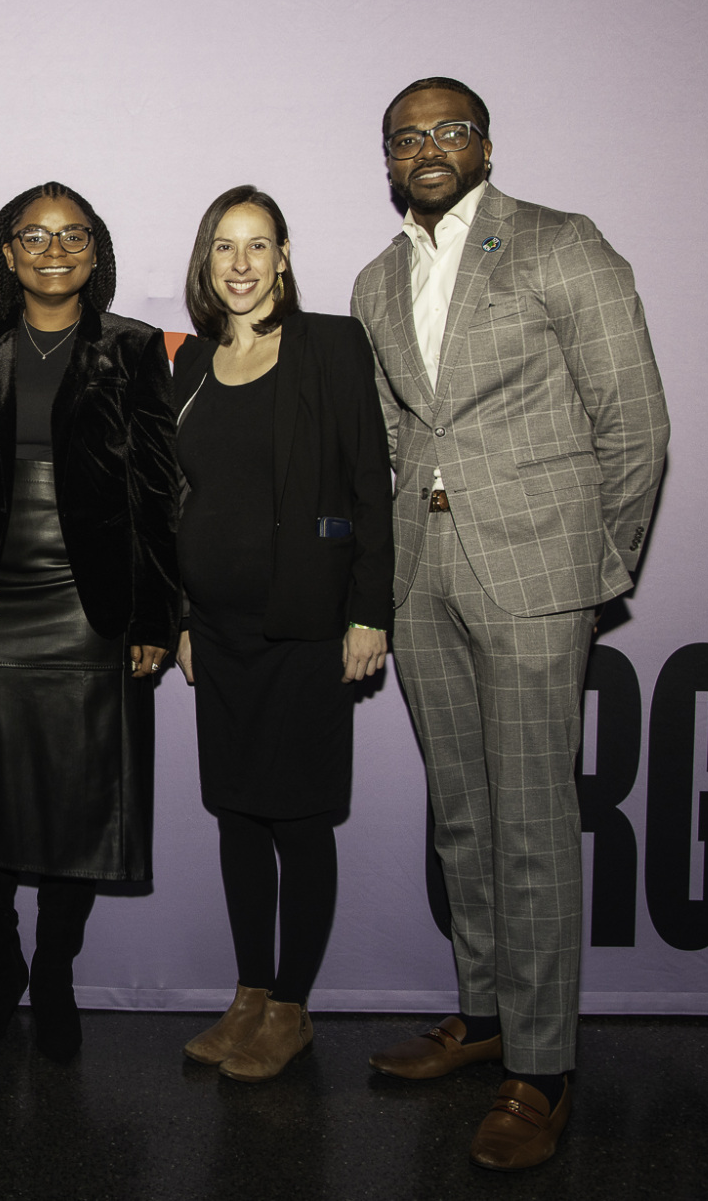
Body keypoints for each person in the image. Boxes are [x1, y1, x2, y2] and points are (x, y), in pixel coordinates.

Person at [351, 78, 669, 1169]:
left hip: (536, 574)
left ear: (484, 144)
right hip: (419, 574)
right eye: (405, 136)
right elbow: (393, 436)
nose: (426, 147)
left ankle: (541, 1069)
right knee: (462, 817)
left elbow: (634, 422)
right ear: (386, 158)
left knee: (531, 823)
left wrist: (592, 561)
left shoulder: (558, 244)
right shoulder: (374, 280)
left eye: (447, 130)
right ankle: (483, 1016)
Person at [0, 181, 179, 1063]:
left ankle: (54, 970)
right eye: (32, 236)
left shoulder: (133, 347)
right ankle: (0, 967)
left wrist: (155, 610)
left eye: (71, 235)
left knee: (79, 800)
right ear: (7, 253)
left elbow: (160, 489)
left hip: (93, 602)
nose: (53, 249)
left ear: (95, 250)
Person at [169, 185, 393, 1083]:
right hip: (217, 632)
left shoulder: (330, 347)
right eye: (225, 246)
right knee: (235, 815)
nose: (241, 264)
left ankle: (292, 1007)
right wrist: (180, 616)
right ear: (207, 259)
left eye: (258, 246)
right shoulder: (188, 367)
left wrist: (370, 609)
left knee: (297, 820)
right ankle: (249, 996)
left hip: (304, 627)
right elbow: (175, 501)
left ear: (286, 257)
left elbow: (369, 482)